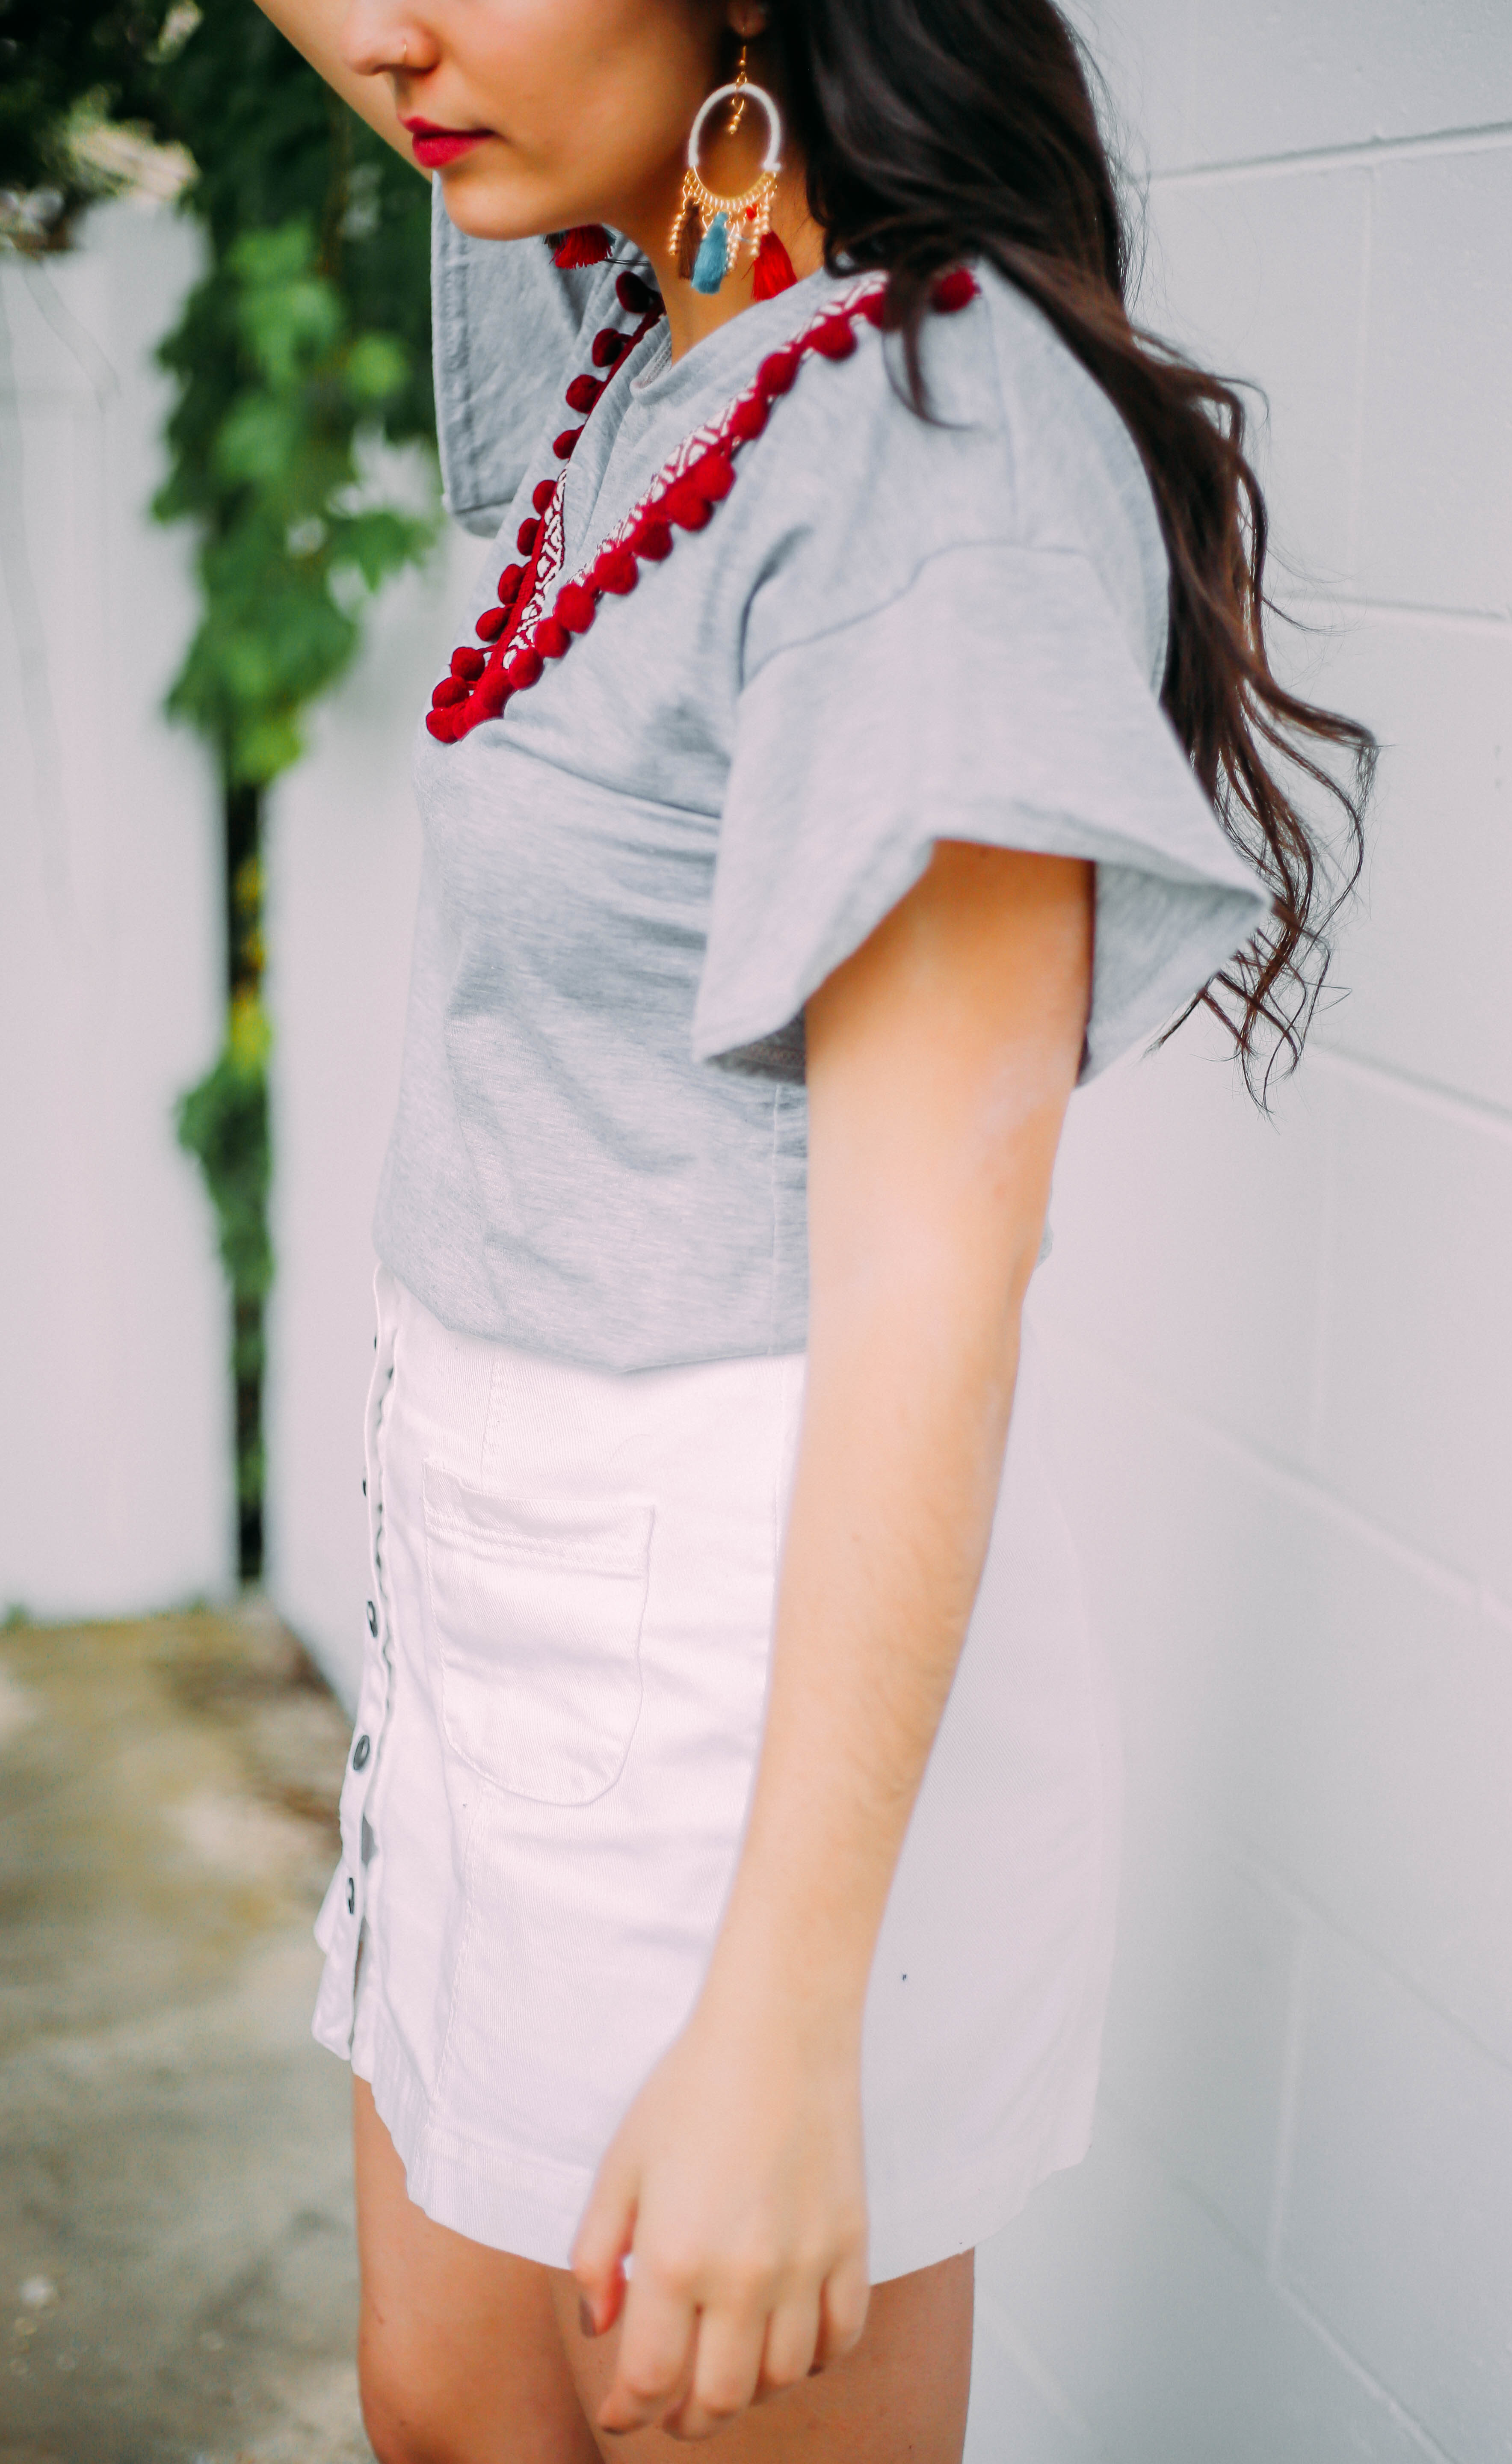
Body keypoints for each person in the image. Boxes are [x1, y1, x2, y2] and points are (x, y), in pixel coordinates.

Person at [255, 2, 1373, 2455]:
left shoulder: (929, 449)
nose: (386, 37)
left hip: (737, 1672)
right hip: (487, 1585)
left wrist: (785, 2022)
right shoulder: (629, 305)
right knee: (445, 2410)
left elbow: (928, 1284)